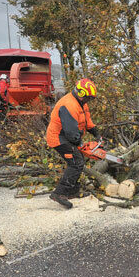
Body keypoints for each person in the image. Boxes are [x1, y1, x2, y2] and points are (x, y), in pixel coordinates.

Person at [46, 78, 101, 209]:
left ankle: (72, 191)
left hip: (68, 137)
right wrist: (81, 144)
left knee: (79, 160)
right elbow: (71, 132)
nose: (89, 100)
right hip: (58, 137)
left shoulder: (82, 104)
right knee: (76, 162)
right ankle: (59, 193)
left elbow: (87, 123)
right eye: (88, 97)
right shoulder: (69, 104)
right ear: (81, 94)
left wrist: (97, 134)